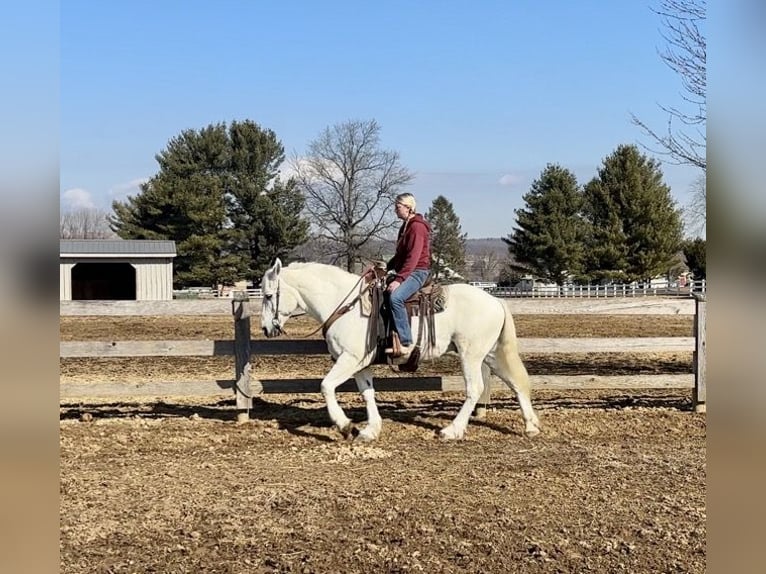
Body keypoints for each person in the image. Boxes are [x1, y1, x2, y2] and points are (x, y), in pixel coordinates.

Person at [383, 192, 432, 358]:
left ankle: (406, 343)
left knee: (396, 297)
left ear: (409, 207)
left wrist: (399, 279)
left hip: (418, 271)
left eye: (398, 207)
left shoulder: (417, 227)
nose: (395, 210)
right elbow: (400, 256)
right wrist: (385, 268)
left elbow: (414, 257)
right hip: (408, 270)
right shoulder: (405, 226)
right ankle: (388, 336)